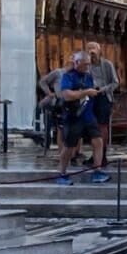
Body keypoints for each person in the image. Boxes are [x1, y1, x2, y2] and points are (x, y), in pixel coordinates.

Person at [52, 52, 96, 183]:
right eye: (85, 64)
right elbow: (66, 94)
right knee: (69, 145)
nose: (88, 67)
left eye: (89, 64)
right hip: (73, 115)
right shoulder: (68, 76)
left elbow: (90, 92)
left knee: (98, 140)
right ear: (77, 63)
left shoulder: (88, 77)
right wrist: (85, 92)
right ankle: (62, 172)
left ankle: (97, 170)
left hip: (87, 114)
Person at [82, 38, 121, 180]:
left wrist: (102, 90)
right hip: (90, 97)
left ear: (99, 50)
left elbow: (115, 82)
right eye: (88, 49)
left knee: (102, 126)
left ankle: (102, 154)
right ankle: (95, 155)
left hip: (103, 97)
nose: (91, 52)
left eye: (93, 49)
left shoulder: (107, 64)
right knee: (92, 127)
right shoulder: (86, 66)